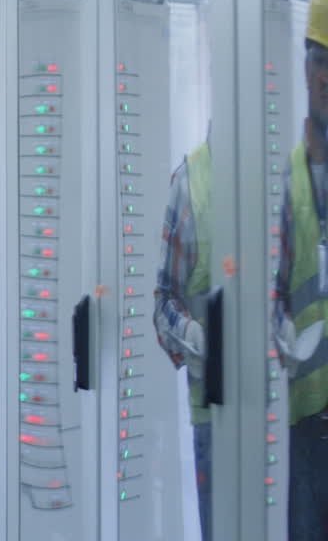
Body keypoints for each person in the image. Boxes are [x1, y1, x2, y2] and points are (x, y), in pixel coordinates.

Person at [271, 0, 328, 541]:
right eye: (318, 59)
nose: (326, 74)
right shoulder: (287, 181)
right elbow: (269, 290)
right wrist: (280, 329)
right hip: (309, 421)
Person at [151, 138, 213, 541]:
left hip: (288, 415)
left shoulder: (284, 170)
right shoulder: (191, 179)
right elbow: (164, 303)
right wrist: (191, 335)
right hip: (215, 413)